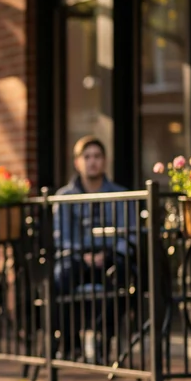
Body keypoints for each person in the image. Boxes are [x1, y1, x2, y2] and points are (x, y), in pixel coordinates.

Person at [52, 137, 132, 360]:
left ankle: (103, 338)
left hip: (109, 257)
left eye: (97, 156)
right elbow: (60, 238)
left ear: (105, 161)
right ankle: (70, 344)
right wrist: (83, 255)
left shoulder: (121, 194)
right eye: (87, 157)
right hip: (76, 258)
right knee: (59, 278)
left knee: (125, 276)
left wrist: (106, 254)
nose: (92, 162)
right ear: (77, 162)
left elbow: (129, 234)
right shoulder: (64, 197)